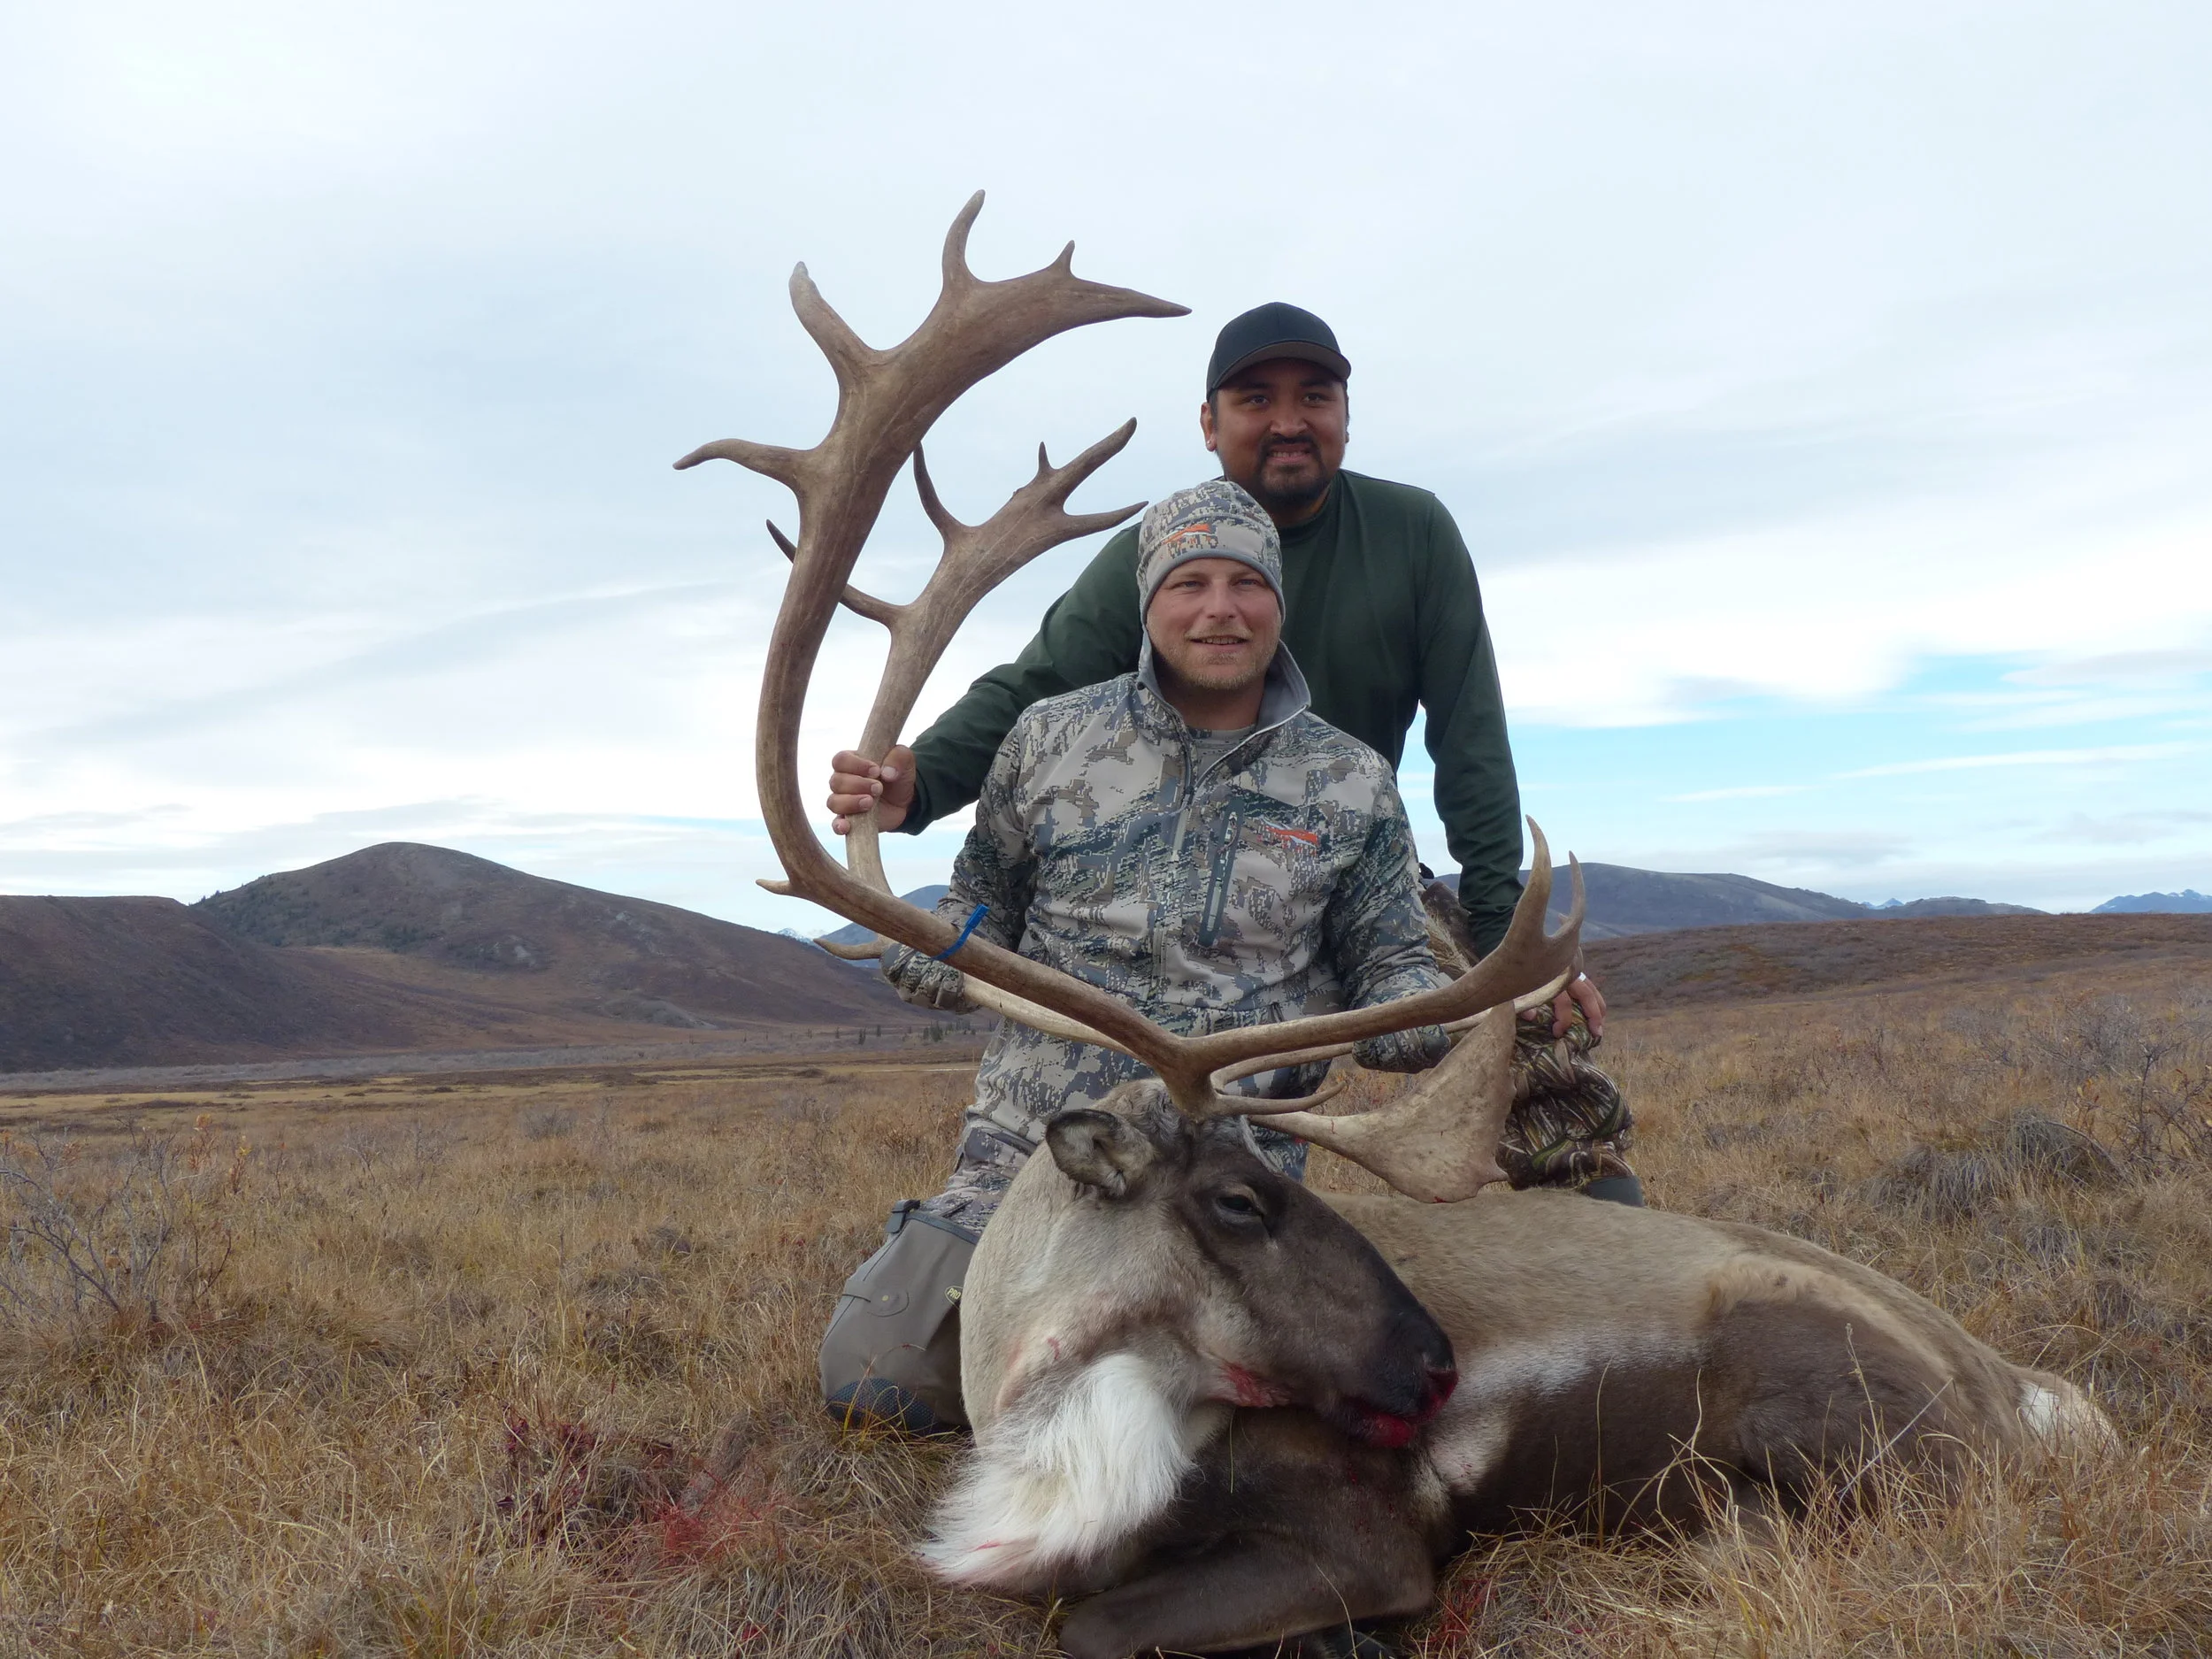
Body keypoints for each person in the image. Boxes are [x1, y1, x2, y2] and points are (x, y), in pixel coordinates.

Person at [818, 480, 1454, 1432]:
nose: (1218, 609)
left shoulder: (1350, 779)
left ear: (1278, 604)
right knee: (878, 1378)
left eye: (1246, 583)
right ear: (1147, 604)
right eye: (1186, 583)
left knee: (1246, 1420)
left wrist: (1431, 1014)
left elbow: (1393, 957)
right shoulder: (1048, 740)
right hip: (1037, 1154)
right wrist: (935, 950)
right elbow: (977, 909)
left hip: (1234, 1187)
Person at [829, 302, 1612, 1044]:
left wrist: (1512, 934)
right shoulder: (1153, 555)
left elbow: (1470, 743)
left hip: (1348, 881)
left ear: (1345, 413)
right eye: (1254, 399)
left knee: (1531, 1033)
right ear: (1209, 423)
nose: (1288, 421)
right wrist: (921, 778)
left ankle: (1576, 1175)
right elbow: (1036, 686)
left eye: (1314, 396)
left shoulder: (1417, 536)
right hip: (1162, 871)